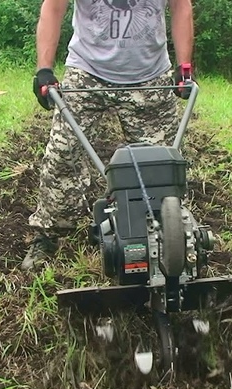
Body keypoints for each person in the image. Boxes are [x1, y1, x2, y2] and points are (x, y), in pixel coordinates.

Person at [22, 0, 195, 270]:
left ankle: (167, 234)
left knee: (160, 164)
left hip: (149, 76)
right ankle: (49, 234)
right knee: (62, 155)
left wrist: (184, 66)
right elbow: (54, 7)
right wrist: (44, 69)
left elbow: (180, 6)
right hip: (87, 73)